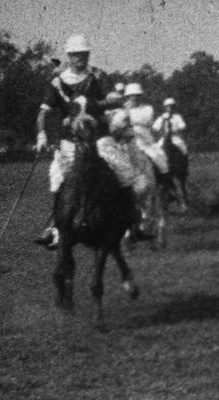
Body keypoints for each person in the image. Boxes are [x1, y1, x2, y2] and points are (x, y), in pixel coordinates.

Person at [33, 35, 152, 249]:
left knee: (128, 177)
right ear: (68, 56)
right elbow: (44, 113)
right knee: (57, 177)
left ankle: (132, 222)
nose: (82, 58)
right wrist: (41, 136)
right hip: (69, 142)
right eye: (77, 55)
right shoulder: (56, 82)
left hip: (100, 139)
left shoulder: (97, 76)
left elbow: (112, 99)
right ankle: (55, 227)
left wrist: (113, 103)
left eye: (85, 54)